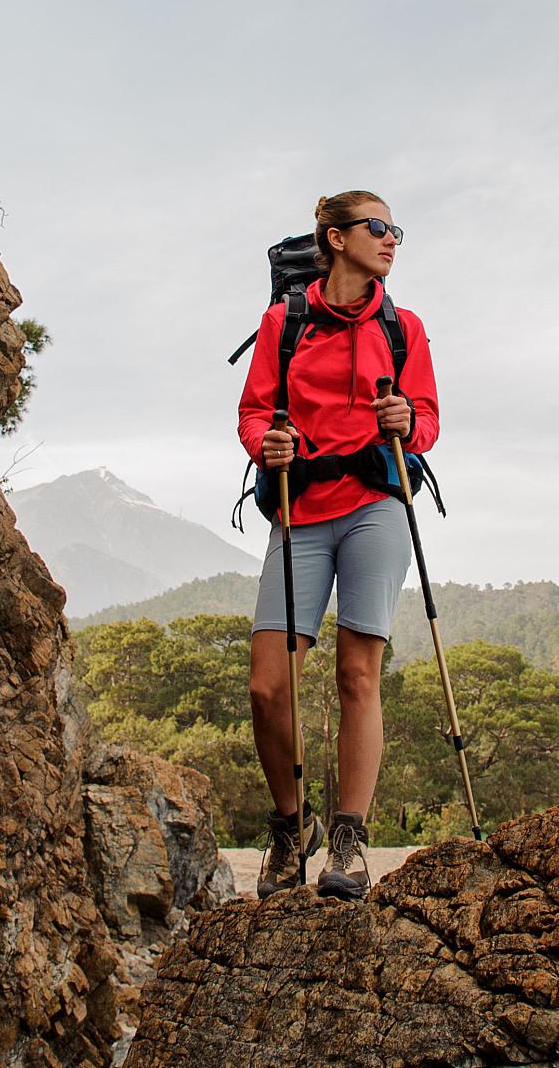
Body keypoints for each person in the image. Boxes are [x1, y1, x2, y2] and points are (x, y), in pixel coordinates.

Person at [236, 190, 438, 900]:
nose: (391, 240)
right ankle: (292, 826)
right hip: (299, 508)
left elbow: (428, 422)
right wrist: (268, 441)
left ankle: (349, 837)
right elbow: (255, 408)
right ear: (334, 236)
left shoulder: (402, 326)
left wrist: (405, 416)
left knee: (357, 673)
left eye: (394, 230)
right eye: (377, 227)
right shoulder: (283, 321)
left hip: (377, 505)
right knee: (268, 684)